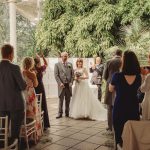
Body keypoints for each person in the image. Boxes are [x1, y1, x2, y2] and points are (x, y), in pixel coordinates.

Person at [109, 50, 141, 146]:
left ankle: (120, 146)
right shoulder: (138, 77)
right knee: (132, 131)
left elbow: (111, 89)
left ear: (125, 61)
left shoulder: (117, 76)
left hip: (120, 107)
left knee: (119, 132)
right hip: (133, 107)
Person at [0, 44, 26, 145]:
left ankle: (3, 146)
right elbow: (23, 86)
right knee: (15, 132)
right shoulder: (15, 67)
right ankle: (15, 145)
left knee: (2, 131)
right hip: (15, 104)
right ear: (11, 54)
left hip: (1, 105)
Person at [103, 49, 122, 131]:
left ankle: (110, 126)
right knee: (119, 105)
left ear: (114, 54)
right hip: (121, 85)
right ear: (121, 54)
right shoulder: (123, 61)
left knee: (109, 106)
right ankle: (118, 126)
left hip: (110, 84)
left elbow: (104, 75)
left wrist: (110, 80)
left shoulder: (109, 62)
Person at [22, 57, 41, 137]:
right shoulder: (32, 73)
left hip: (23, 94)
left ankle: (24, 132)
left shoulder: (21, 72)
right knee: (33, 112)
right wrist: (35, 76)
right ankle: (33, 134)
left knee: (25, 113)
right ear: (31, 64)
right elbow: (36, 84)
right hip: (30, 94)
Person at [54, 52, 74, 119]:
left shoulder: (70, 64)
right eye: (64, 56)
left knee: (68, 100)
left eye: (66, 56)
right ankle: (60, 113)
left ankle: (67, 113)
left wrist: (71, 82)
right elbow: (56, 75)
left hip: (68, 85)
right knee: (61, 100)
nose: (65, 57)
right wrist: (60, 83)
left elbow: (72, 75)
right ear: (61, 57)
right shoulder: (57, 65)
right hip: (61, 85)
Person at [34, 53, 50, 129]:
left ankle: (35, 123)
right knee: (42, 104)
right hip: (40, 87)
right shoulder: (40, 68)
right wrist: (43, 57)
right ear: (38, 61)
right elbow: (46, 64)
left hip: (34, 87)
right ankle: (44, 123)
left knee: (35, 104)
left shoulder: (32, 69)